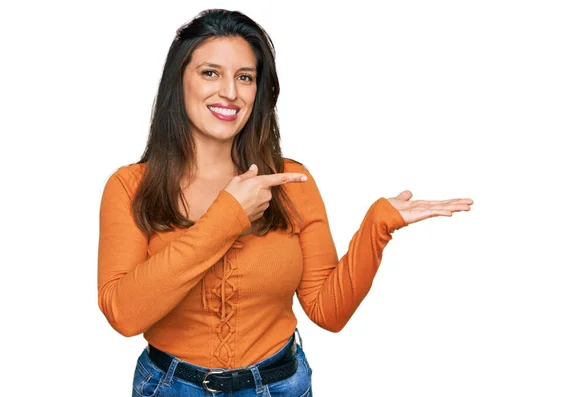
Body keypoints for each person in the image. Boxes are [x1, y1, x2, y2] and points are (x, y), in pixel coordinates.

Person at [97, 8, 473, 397]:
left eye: (245, 77)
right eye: (211, 72)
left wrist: (378, 225)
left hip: (279, 386)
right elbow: (124, 315)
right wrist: (228, 216)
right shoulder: (129, 186)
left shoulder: (291, 182)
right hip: (171, 386)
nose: (230, 91)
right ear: (179, 81)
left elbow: (328, 312)